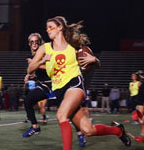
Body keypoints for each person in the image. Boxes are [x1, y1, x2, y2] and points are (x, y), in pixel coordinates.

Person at [28, 16, 131, 150]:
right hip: (59, 91)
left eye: (50, 27)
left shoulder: (74, 46)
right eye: (47, 28)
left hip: (74, 85)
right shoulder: (45, 48)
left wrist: (94, 60)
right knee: (88, 130)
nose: (47, 30)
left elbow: (96, 64)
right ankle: (118, 131)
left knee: (61, 115)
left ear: (60, 28)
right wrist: (42, 61)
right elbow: (30, 69)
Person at [22, 33, 54, 138]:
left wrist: (39, 63)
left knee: (68, 112)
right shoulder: (30, 56)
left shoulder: (44, 53)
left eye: (37, 41)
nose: (34, 44)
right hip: (43, 85)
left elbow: (50, 68)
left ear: (40, 42)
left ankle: (81, 132)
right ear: (29, 44)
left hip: (54, 83)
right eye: (32, 42)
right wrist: (28, 74)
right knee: (27, 101)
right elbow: (32, 69)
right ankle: (35, 127)